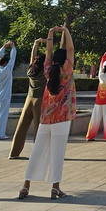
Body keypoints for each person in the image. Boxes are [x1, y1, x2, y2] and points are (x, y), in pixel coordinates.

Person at [18, 25, 75, 200]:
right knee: (58, 153)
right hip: (62, 117)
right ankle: (55, 188)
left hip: (46, 117)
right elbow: (71, 48)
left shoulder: (48, 69)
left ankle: (26, 185)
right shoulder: (67, 70)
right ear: (66, 59)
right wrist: (65, 31)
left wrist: (51, 33)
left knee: (37, 151)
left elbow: (48, 53)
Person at [9, 40, 46, 159]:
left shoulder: (31, 70)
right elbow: (49, 58)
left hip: (29, 100)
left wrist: (35, 44)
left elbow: (32, 58)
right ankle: (38, 154)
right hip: (40, 101)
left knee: (21, 127)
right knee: (38, 128)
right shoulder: (45, 72)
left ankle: (14, 153)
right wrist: (49, 42)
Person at [86, 50, 106, 141]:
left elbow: (102, 63)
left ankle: (90, 136)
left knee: (95, 119)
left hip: (99, 101)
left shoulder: (100, 74)